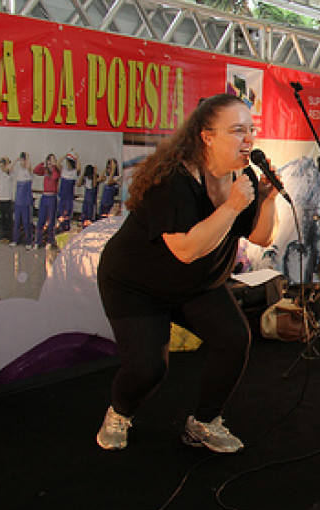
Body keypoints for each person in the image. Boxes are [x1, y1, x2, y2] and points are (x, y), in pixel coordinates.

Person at [96, 93, 282, 453]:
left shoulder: (241, 176)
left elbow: (260, 236)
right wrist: (232, 206)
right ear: (207, 136)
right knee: (149, 368)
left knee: (233, 339)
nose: (249, 138)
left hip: (197, 284)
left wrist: (268, 199)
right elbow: (186, 249)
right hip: (136, 285)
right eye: (237, 130)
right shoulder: (172, 179)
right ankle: (120, 412)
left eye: (251, 129)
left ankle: (204, 422)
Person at [33, 153, 60, 249]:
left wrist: (54, 166)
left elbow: (55, 178)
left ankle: (49, 241)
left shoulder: (56, 171)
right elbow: (36, 170)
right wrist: (42, 164)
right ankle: (38, 241)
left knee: (51, 220)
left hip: (52, 197)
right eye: (49, 160)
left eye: (52, 160)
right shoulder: (45, 170)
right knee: (41, 220)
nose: (50, 162)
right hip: (44, 196)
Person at [12, 152, 33, 249]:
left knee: (26, 221)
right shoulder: (18, 170)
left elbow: (29, 167)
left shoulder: (28, 171)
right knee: (16, 221)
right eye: (21, 160)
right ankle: (15, 240)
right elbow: (10, 169)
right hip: (18, 199)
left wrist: (27, 157)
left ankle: (28, 242)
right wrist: (16, 160)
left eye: (23, 160)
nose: (22, 162)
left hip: (26, 199)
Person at [56, 151, 79, 232]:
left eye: (68, 162)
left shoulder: (74, 172)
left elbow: (79, 168)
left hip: (69, 197)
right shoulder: (63, 170)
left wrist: (77, 158)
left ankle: (66, 229)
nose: (67, 163)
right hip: (62, 196)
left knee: (67, 215)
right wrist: (65, 155)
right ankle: (60, 229)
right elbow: (57, 164)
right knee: (60, 215)